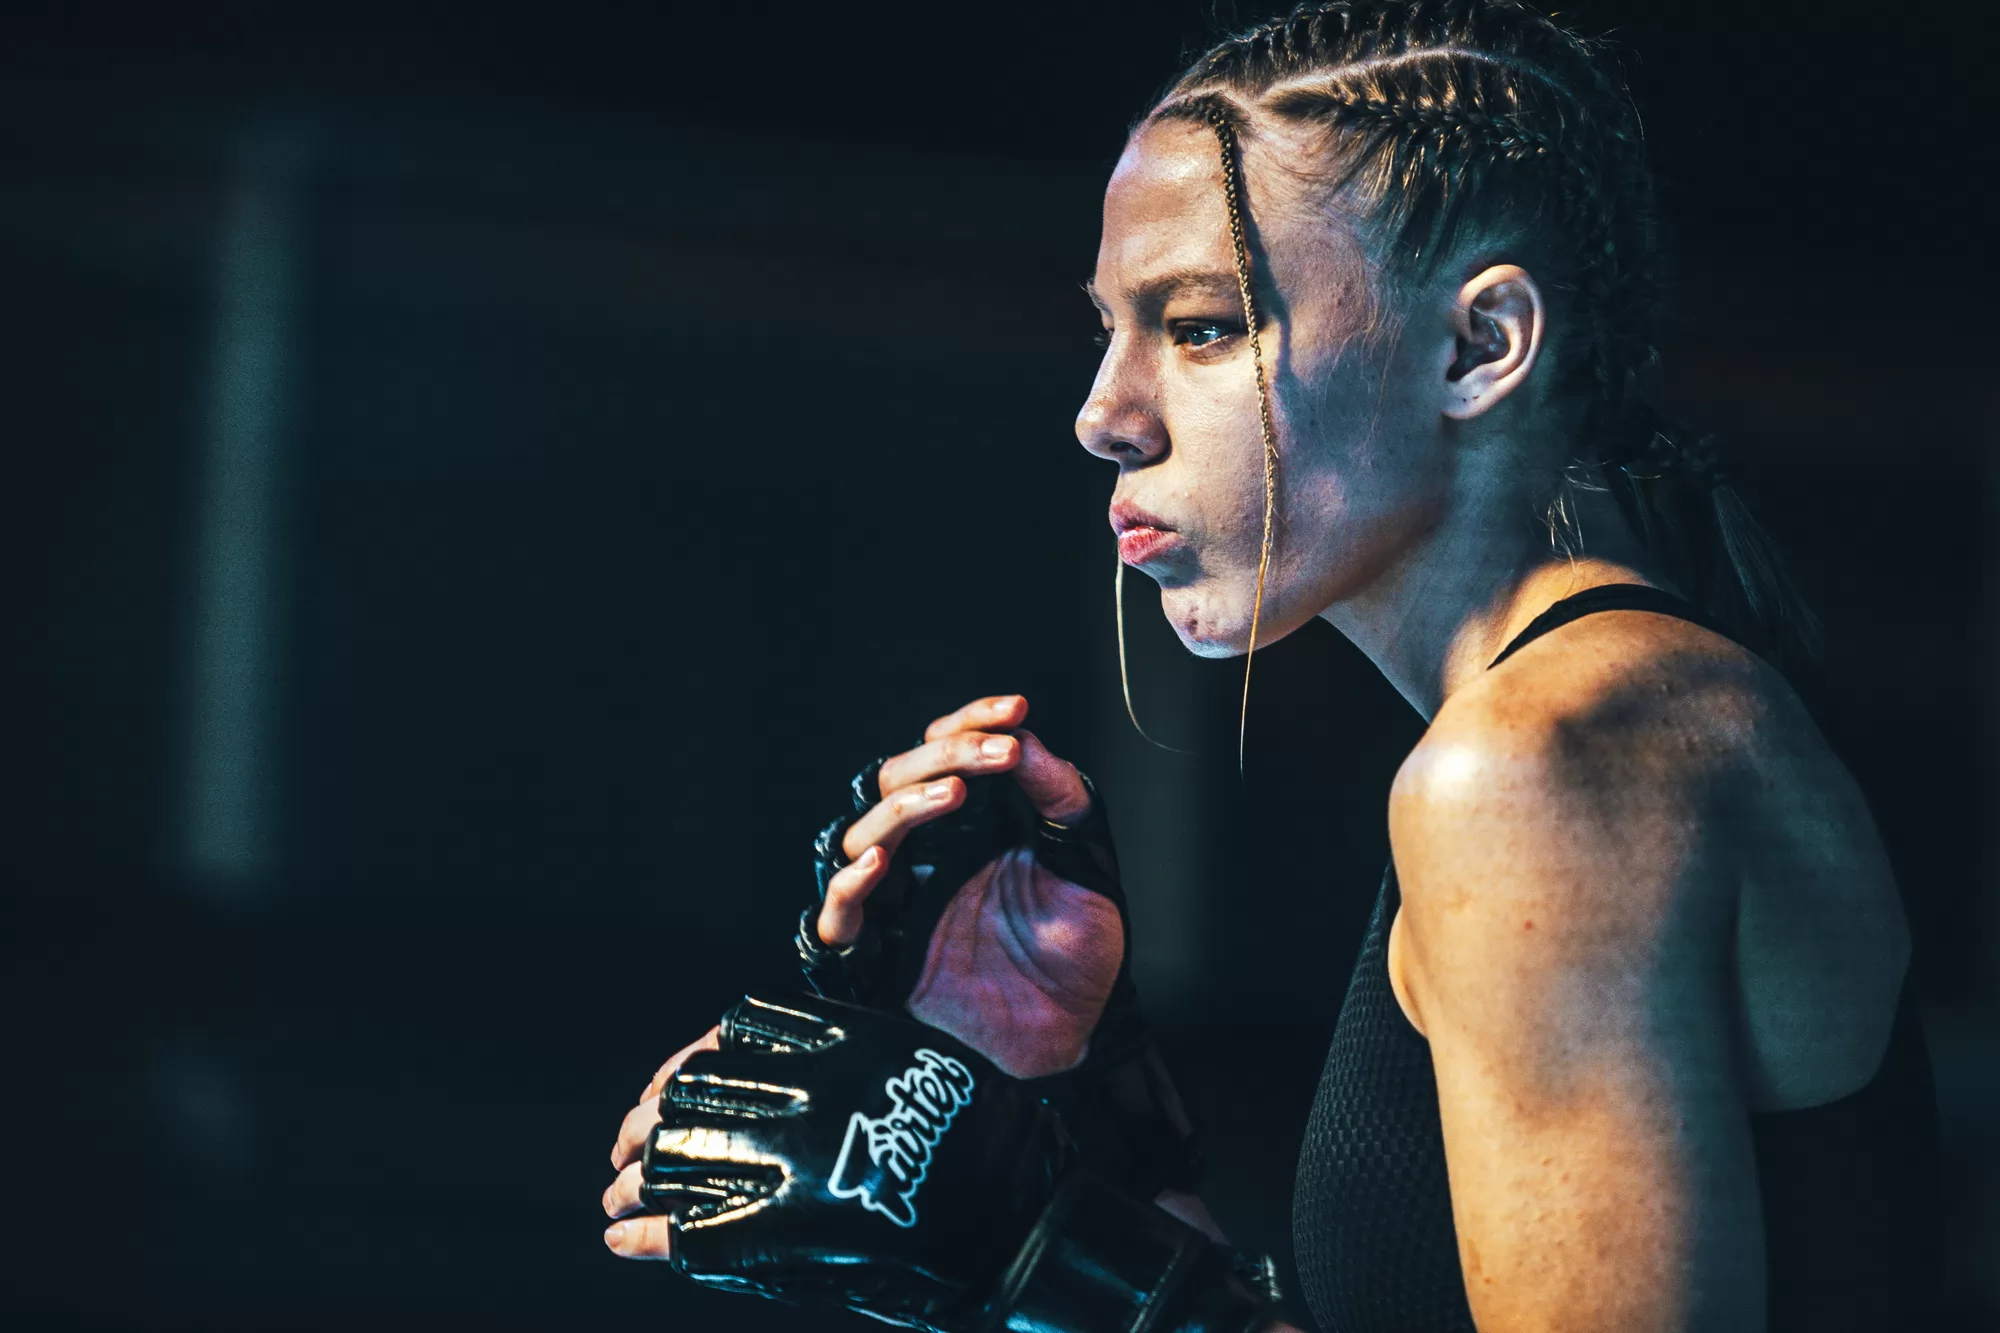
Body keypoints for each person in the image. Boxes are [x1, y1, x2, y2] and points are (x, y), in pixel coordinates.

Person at [601, 2, 1944, 1329]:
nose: (1103, 417)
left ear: (1478, 347)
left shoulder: (1541, 760)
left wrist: (1042, 1257)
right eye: (1108, 331)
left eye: (1200, 325)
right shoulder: (1606, 717)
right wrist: (1089, 1099)